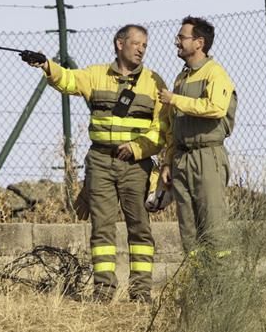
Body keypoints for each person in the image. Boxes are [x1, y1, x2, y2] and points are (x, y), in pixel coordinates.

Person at [25, 24, 169, 303]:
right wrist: (46, 65)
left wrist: (138, 148)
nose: (141, 49)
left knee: (139, 226)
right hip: (101, 160)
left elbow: (161, 129)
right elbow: (67, 80)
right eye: (136, 43)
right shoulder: (96, 75)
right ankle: (103, 291)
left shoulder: (154, 82)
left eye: (145, 45)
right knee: (101, 226)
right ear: (119, 44)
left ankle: (141, 292)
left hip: (136, 165)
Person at [159, 16, 237, 255]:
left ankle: (222, 287)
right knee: (189, 233)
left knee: (214, 230)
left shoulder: (215, 73)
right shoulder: (181, 78)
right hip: (182, 160)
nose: (177, 42)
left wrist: (175, 99)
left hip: (207, 157)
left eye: (182, 38)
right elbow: (173, 125)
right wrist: (167, 161)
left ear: (199, 43)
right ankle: (197, 287)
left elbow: (215, 108)